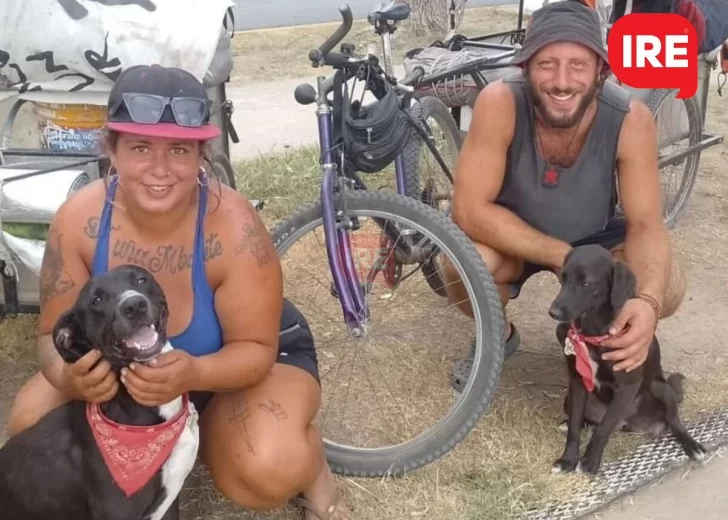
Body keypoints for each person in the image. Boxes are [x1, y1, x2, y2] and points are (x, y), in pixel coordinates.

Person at [6, 64, 350, 520]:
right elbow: (51, 336)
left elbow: (256, 347)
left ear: (202, 154)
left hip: (239, 359)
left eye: (180, 151)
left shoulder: (233, 225)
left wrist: (191, 376)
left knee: (266, 466)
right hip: (132, 373)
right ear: (111, 149)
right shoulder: (78, 222)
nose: (161, 170)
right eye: (141, 148)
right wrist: (70, 377)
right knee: (29, 422)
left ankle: (311, 469)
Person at [441, 1, 687, 387]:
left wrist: (648, 303)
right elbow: (469, 210)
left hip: (595, 235)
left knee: (666, 285)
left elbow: (645, 225)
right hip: (514, 234)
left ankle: (605, 337)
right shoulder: (500, 103)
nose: (561, 81)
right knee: (461, 265)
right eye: (546, 64)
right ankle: (498, 333)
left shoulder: (630, 121)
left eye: (578, 65)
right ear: (525, 68)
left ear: (600, 71)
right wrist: (563, 256)